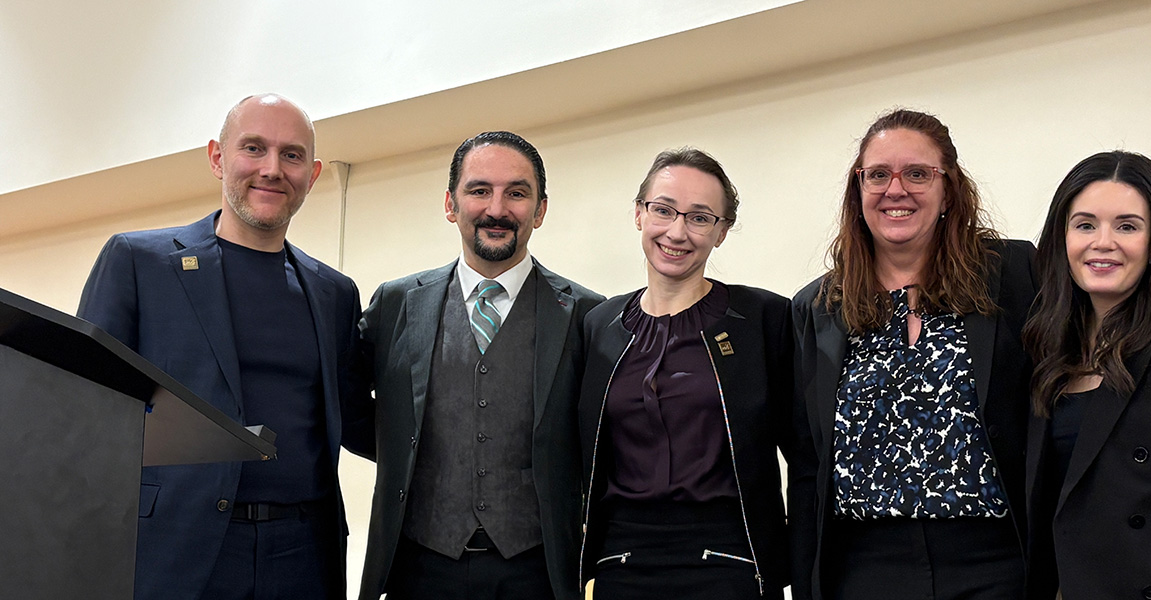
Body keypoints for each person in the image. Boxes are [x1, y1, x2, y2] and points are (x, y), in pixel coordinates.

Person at [77, 93, 373, 600]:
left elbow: (354, 418)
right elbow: (85, 406)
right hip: (175, 547)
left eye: (292, 155)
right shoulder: (138, 262)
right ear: (217, 157)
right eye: (253, 148)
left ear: (314, 173)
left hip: (305, 553)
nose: (272, 169)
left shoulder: (335, 293)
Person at [790, 109, 1041, 599]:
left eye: (918, 173)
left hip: (996, 562)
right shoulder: (817, 307)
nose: (895, 189)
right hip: (864, 568)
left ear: (949, 188)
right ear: (858, 189)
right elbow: (806, 467)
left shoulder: (1013, 273)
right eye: (878, 174)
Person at [357, 131, 603, 600]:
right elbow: (350, 407)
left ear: (540, 209)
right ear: (451, 204)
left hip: (539, 571)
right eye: (479, 190)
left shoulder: (587, 314)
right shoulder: (396, 304)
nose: (497, 208)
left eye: (516, 192)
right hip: (420, 565)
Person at [577, 148, 792, 599]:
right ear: (639, 214)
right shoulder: (599, 325)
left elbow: (807, 453)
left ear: (722, 232)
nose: (676, 231)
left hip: (731, 563)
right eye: (663, 210)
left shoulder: (763, 318)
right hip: (621, 564)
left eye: (699, 218)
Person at [1023, 151, 1151, 599]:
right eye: (1085, 225)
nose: (1103, 242)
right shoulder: (1045, 347)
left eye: (1127, 226)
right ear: (1062, 238)